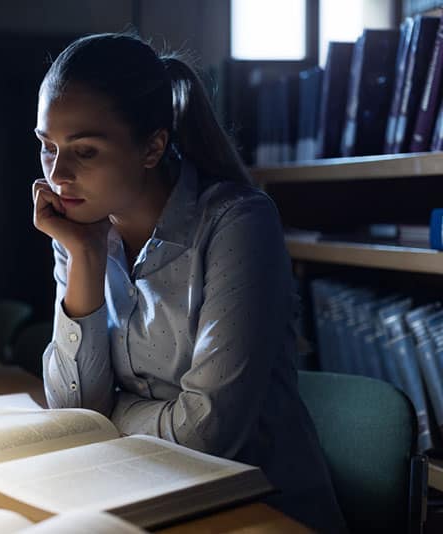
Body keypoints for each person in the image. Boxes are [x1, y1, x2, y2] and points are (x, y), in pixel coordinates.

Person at [31, 32, 347, 533]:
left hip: (258, 513)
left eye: (85, 152)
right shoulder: (79, 227)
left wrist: (109, 414)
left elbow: (208, 435)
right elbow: (72, 414)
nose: (58, 175)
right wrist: (86, 256)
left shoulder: (237, 224)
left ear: (153, 146)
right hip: (137, 493)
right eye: (47, 147)